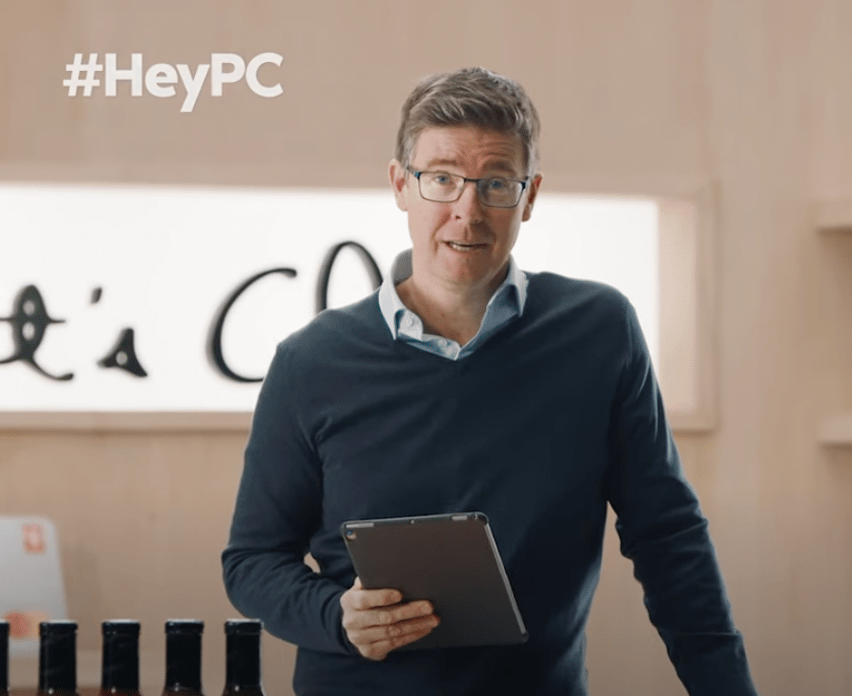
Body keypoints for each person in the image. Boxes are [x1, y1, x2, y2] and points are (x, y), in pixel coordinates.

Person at [220, 66, 758, 696]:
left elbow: (668, 534)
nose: (467, 211)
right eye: (442, 178)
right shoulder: (310, 363)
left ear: (529, 196)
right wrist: (334, 617)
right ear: (401, 185)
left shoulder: (599, 332)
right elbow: (252, 562)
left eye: (496, 183)